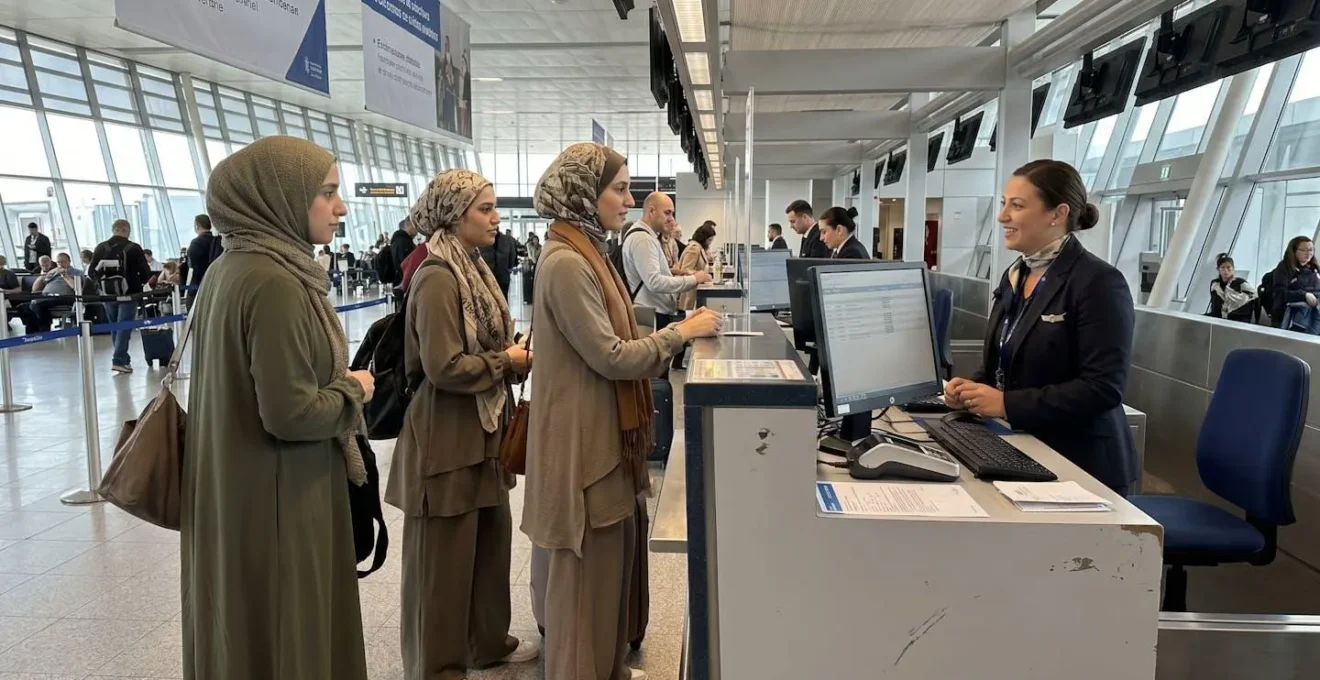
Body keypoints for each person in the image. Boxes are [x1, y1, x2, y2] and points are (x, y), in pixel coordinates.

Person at [525, 142, 721, 680]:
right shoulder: (567, 263)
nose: (629, 198)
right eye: (618, 188)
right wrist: (680, 332)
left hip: (605, 438)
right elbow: (610, 355)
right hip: (584, 446)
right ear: (584, 195)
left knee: (607, 574)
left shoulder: (589, 251)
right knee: (587, 583)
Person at [182, 136, 375, 680]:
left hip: (237, 492)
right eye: (327, 193)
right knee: (291, 628)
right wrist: (355, 389)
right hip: (281, 496)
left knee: (246, 629)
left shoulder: (230, 269)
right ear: (279, 197)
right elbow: (290, 413)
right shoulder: (276, 282)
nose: (340, 208)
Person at [384, 169, 538, 679]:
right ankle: (437, 665)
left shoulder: (472, 268)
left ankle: (486, 643)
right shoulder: (436, 276)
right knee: (442, 564)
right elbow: (443, 366)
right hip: (446, 438)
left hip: (483, 429)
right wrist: (506, 363)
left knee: (488, 548)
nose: (496, 218)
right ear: (454, 215)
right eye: (485, 209)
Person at [945, 159, 1138, 496]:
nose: (1003, 216)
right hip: (1023, 447)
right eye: (1004, 204)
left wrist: (1007, 404)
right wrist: (971, 389)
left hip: (1081, 464)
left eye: (1016, 206)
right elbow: (1004, 361)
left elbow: (1103, 388)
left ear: (1057, 214)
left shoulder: (1098, 282)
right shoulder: (1015, 276)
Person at [623, 192, 710, 328]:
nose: (672, 219)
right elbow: (654, 282)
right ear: (651, 211)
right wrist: (693, 279)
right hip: (653, 316)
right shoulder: (643, 239)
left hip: (657, 312)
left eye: (672, 214)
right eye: (667, 213)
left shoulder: (647, 237)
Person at [90, 219, 153, 375]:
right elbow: (145, 273)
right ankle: (118, 360)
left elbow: (92, 272)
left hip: (107, 293)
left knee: (115, 327)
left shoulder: (101, 247)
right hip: (129, 292)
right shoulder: (134, 248)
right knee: (124, 326)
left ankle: (123, 360)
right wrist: (142, 281)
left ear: (114, 230)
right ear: (127, 230)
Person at [20, 252, 84, 334]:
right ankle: (32, 332)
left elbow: (76, 287)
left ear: (69, 261)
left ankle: (44, 331)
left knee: (38, 304)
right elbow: (35, 289)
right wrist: (44, 275)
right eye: (58, 262)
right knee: (22, 307)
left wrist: (64, 275)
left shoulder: (77, 272)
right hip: (46, 296)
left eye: (63, 262)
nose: (61, 264)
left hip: (64, 297)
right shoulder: (54, 272)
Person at [1269, 235, 1320, 334]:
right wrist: (1303, 295)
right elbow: (1280, 292)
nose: (1308, 253)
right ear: (1294, 250)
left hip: (1313, 316)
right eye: (1304, 250)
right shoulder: (1284, 268)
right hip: (1289, 317)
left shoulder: (1314, 269)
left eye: (1311, 250)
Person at [1206, 253, 1256, 323]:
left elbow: (1254, 296)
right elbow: (1214, 304)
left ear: (1233, 268)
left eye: (1228, 267)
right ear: (1218, 269)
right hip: (1219, 318)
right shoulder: (1215, 284)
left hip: (1238, 320)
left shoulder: (1240, 283)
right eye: (1222, 268)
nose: (1226, 271)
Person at [678, 223, 717, 311]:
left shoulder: (698, 248)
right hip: (689, 295)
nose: (710, 243)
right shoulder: (694, 249)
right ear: (704, 239)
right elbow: (685, 270)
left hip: (693, 292)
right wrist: (702, 276)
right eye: (710, 240)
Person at [479, 228, 519, 300]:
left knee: (489, 301)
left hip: (487, 276)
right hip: (502, 275)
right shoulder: (508, 240)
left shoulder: (481, 239)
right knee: (503, 300)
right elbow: (512, 259)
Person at [187, 214, 222, 294]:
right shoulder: (218, 241)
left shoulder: (196, 243)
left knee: (189, 303)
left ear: (196, 226)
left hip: (198, 284)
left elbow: (191, 264)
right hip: (216, 283)